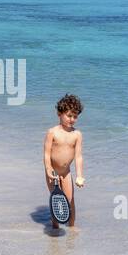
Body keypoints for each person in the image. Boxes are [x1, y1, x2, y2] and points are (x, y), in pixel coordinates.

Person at [43, 94, 85, 229]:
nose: (72, 119)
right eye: (69, 115)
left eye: (75, 116)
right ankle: (55, 228)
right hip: (53, 172)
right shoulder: (52, 132)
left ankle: (72, 229)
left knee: (70, 201)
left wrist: (79, 175)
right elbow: (46, 154)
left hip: (66, 173)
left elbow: (78, 156)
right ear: (59, 114)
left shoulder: (77, 134)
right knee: (56, 201)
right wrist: (49, 170)